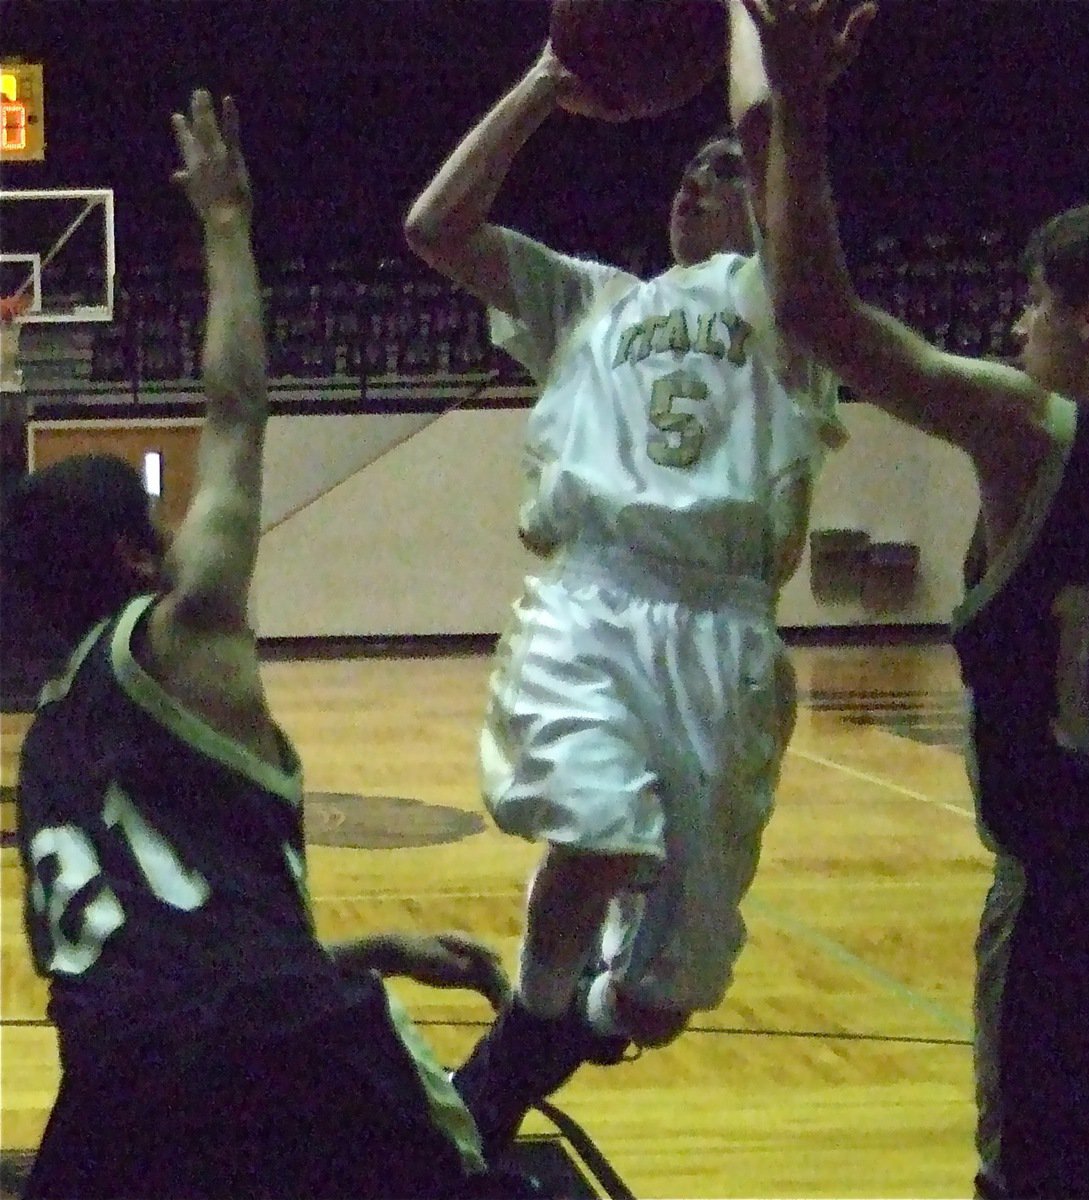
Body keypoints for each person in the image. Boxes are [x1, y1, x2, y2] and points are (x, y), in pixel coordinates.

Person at [4, 90, 534, 1200]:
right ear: (138, 564)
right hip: (284, 1046)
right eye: (159, 528)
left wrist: (375, 943)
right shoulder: (180, 634)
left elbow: (165, 975)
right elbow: (237, 408)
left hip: (116, 1090)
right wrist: (228, 227)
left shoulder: (44, 763)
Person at [403, 11, 862, 1163]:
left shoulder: (791, 313)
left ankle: (583, 1021)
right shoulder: (592, 301)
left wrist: (759, 49)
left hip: (723, 634)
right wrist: (547, 81)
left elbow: (770, 153)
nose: (700, 186)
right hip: (591, 597)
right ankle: (527, 1033)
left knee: (666, 996)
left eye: (727, 175)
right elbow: (434, 226)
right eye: (688, 173)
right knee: (593, 827)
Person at [742, 2, 1089, 1196]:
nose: (1018, 324)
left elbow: (818, 314)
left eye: (1035, 301)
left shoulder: (1039, 439)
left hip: (1072, 925)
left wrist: (804, 114)